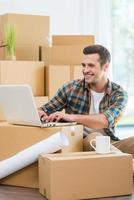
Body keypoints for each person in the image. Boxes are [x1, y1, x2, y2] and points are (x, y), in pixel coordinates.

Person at [38, 44, 134, 157]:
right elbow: (44, 109)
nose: (85, 70)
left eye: (91, 66)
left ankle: (118, 159)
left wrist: (72, 117)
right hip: (79, 142)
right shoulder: (70, 88)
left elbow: (105, 120)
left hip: (109, 143)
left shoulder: (119, 94)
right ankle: (122, 162)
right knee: (94, 137)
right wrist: (41, 113)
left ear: (106, 67)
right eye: (83, 65)